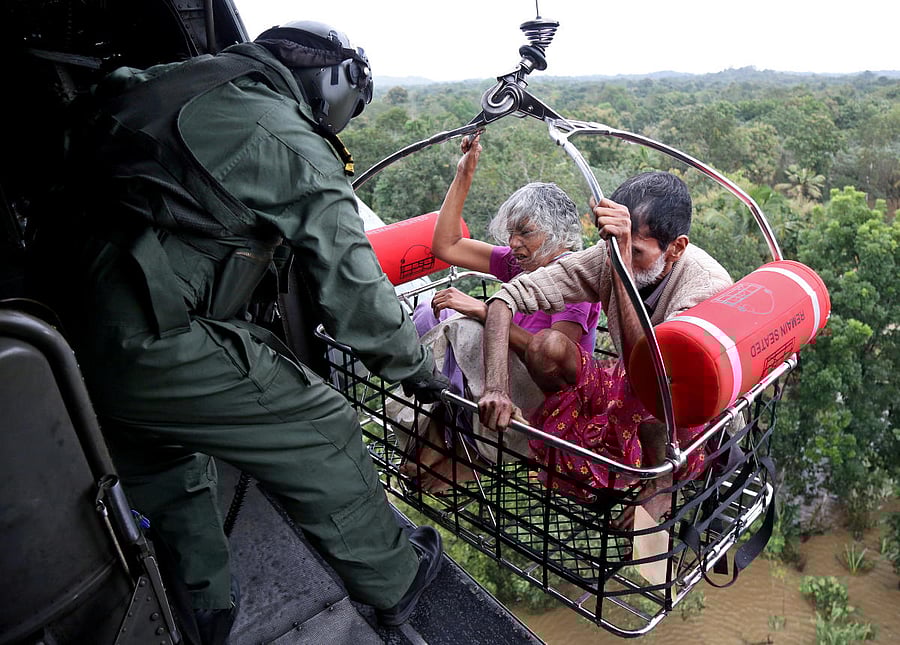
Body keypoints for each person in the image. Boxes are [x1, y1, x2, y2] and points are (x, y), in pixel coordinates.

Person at [42, 20, 447, 641]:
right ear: (337, 83)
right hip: (150, 335)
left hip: (63, 328)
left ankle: (202, 605)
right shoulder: (284, 136)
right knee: (322, 427)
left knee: (166, 464)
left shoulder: (166, 82)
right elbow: (357, 294)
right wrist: (418, 371)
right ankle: (396, 579)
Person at [478, 171, 733, 521]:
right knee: (545, 346)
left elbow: (655, 373)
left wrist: (622, 269)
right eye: (614, 246)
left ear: (676, 248)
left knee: (661, 392)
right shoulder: (610, 254)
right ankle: (586, 445)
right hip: (629, 380)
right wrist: (497, 387)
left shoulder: (705, 286)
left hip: (679, 408)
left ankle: (660, 482)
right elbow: (504, 299)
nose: (618, 256)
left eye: (637, 251)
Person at [400, 133, 601, 490]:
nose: (514, 244)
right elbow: (446, 244)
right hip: (498, 377)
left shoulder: (574, 280)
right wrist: (465, 173)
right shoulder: (519, 265)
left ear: (556, 233)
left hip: (539, 396)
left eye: (525, 233)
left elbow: (551, 357)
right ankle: (448, 433)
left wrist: (481, 311)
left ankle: (459, 446)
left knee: (464, 326)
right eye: (511, 234)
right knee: (429, 312)